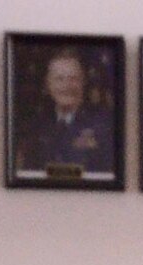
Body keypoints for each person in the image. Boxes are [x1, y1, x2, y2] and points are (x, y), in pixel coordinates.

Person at [19, 46, 114, 177]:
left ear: (83, 82)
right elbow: (28, 174)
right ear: (48, 84)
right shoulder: (37, 126)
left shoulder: (105, 125)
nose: (67, 85)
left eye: (73, 78)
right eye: (59, 79)